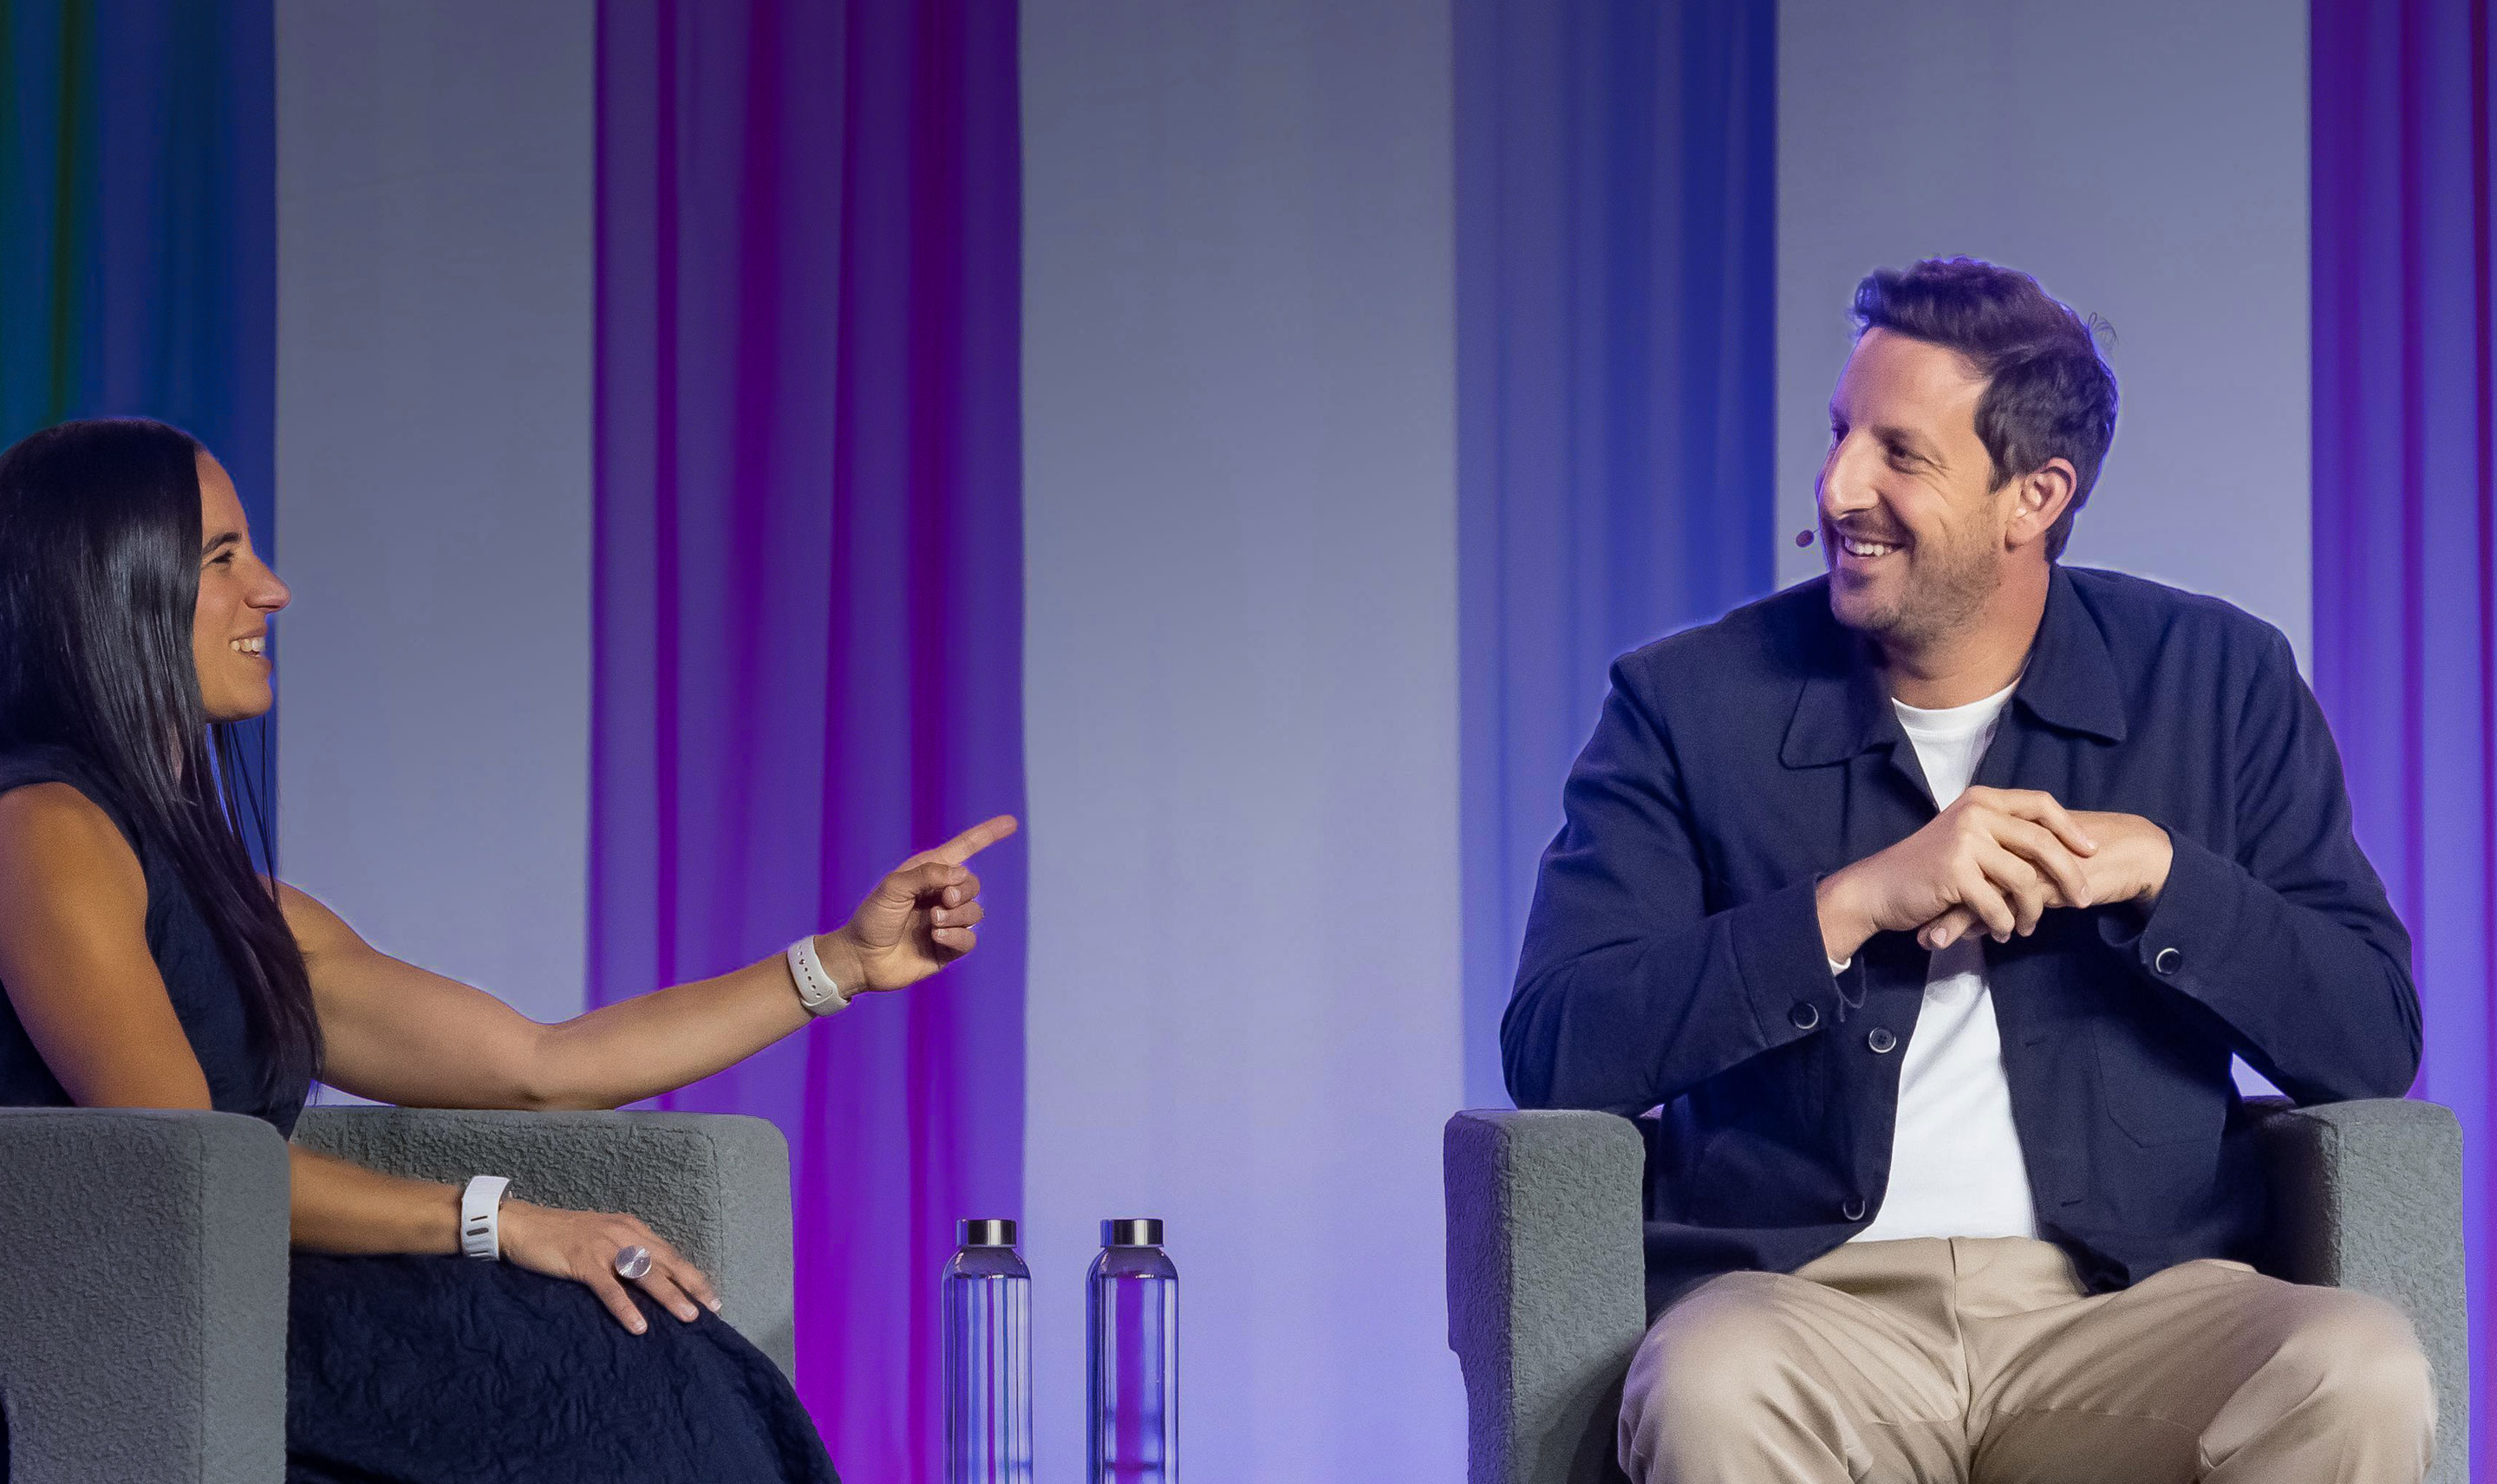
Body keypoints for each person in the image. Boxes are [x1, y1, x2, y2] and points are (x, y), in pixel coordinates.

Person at [1504, 257, 2435, 1483]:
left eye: (1901, 453)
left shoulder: (2219, 680)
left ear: (2033, 495)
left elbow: (2371, 1037)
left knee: (2359, 1369)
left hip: (2128, 1308)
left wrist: (2168, 878)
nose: (1840, 487)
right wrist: (1847, 910)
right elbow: (1559, 1044)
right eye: (1842, 434)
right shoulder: (1686, 704)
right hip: (1804, 1310)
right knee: (1711, 1388)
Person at [0, 416, 1015, 1483]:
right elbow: (196, 1167)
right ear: (108, 584)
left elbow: (541, 1066)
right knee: (615, 1387)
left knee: (667, 1364)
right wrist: (500, 1220)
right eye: (221, 558)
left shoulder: (245, 905)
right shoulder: (44, 832)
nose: (273, 589)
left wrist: (841, 962)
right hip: (163, 1340)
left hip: (277, 1314)